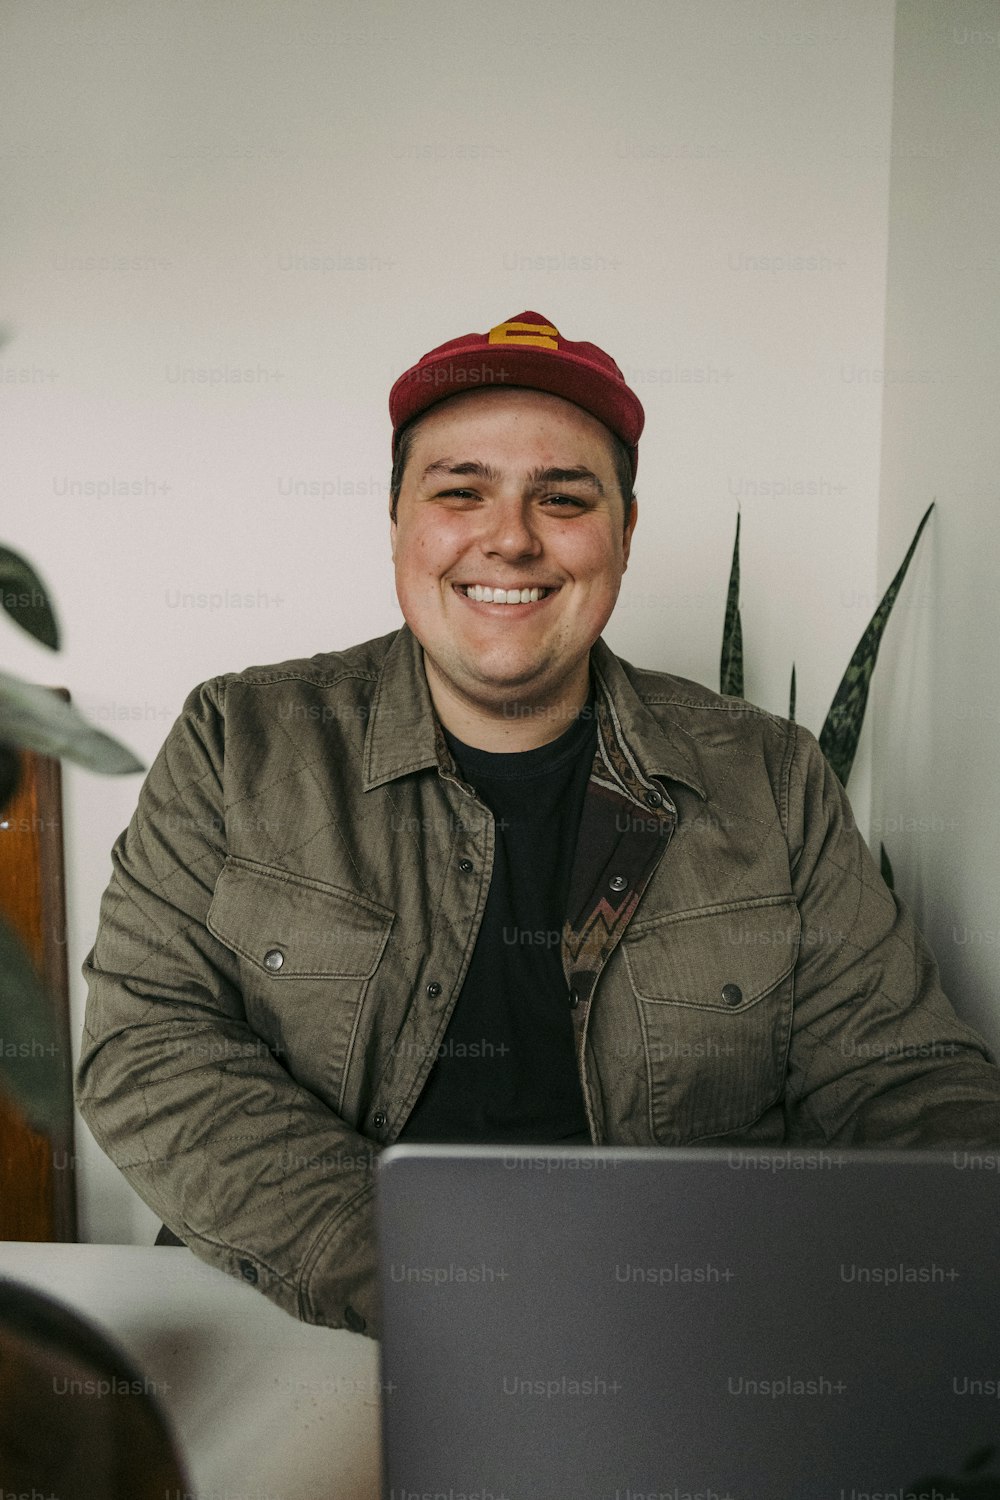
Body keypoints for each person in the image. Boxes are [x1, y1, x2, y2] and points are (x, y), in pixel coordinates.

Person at [76, 309, 1000, 1339]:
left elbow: (903, 1080)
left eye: (561, 499)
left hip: (681, 1331)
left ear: (624, 534)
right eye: (459, 491)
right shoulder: (237, 740)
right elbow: (145, 1047)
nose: (509, 535)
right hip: (317, 1319)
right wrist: (427, 1273)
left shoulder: (774, 779)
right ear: (398, 525)